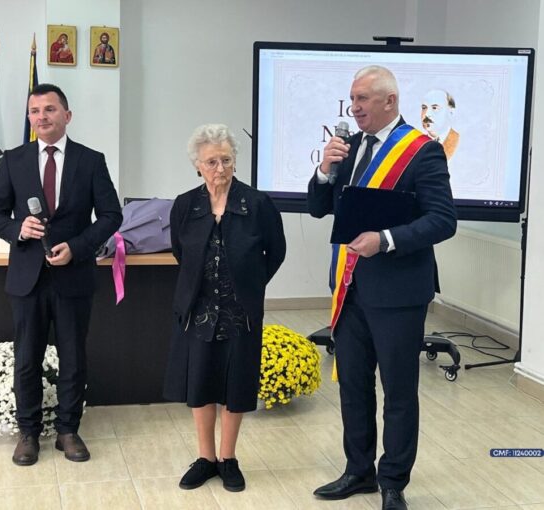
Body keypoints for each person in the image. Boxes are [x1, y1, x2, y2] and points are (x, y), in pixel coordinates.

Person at [308, 66, 457, 510]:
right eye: (352, 99)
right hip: (349, 287)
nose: (353, 108)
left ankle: (393, 481)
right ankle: (359, 472)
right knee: (353, 386)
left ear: (390, 101)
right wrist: (324, 170)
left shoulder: (422, 151)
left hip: (398, 293)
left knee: (398, 391)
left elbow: (443, 220)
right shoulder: (350, 147)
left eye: (362, 99)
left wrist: (386, 239)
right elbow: (318, 207)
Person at [0, 84, 122, 467]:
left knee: (73, 357)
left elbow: (111, 215)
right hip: (26, 278)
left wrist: (77, 247)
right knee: (26, 359)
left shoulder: (90, 161)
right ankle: (28, 434)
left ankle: (68, 431)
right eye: (34, 111)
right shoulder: (13, 160)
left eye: (49, 109)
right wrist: (17, 229)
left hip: (73, 276)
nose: (41, 116)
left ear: (67, 115)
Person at [163, 124, 286, 492]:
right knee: (200, 382)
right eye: (212, 162)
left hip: (239, 309)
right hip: (197, 308)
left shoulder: (257, 203)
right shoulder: (186, 204)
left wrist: (250, 283)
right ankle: (206, 458)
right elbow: (180, 251)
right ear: (197, 166)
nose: (220, 168)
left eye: (227, 160)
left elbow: (276, 251)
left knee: (236, 384)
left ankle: (228, 458)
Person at [421, 88, 459, 159]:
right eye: (424, 108)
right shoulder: (419, 145)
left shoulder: (459, 143)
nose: (427, 114)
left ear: (451, 113)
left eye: (434, 108)